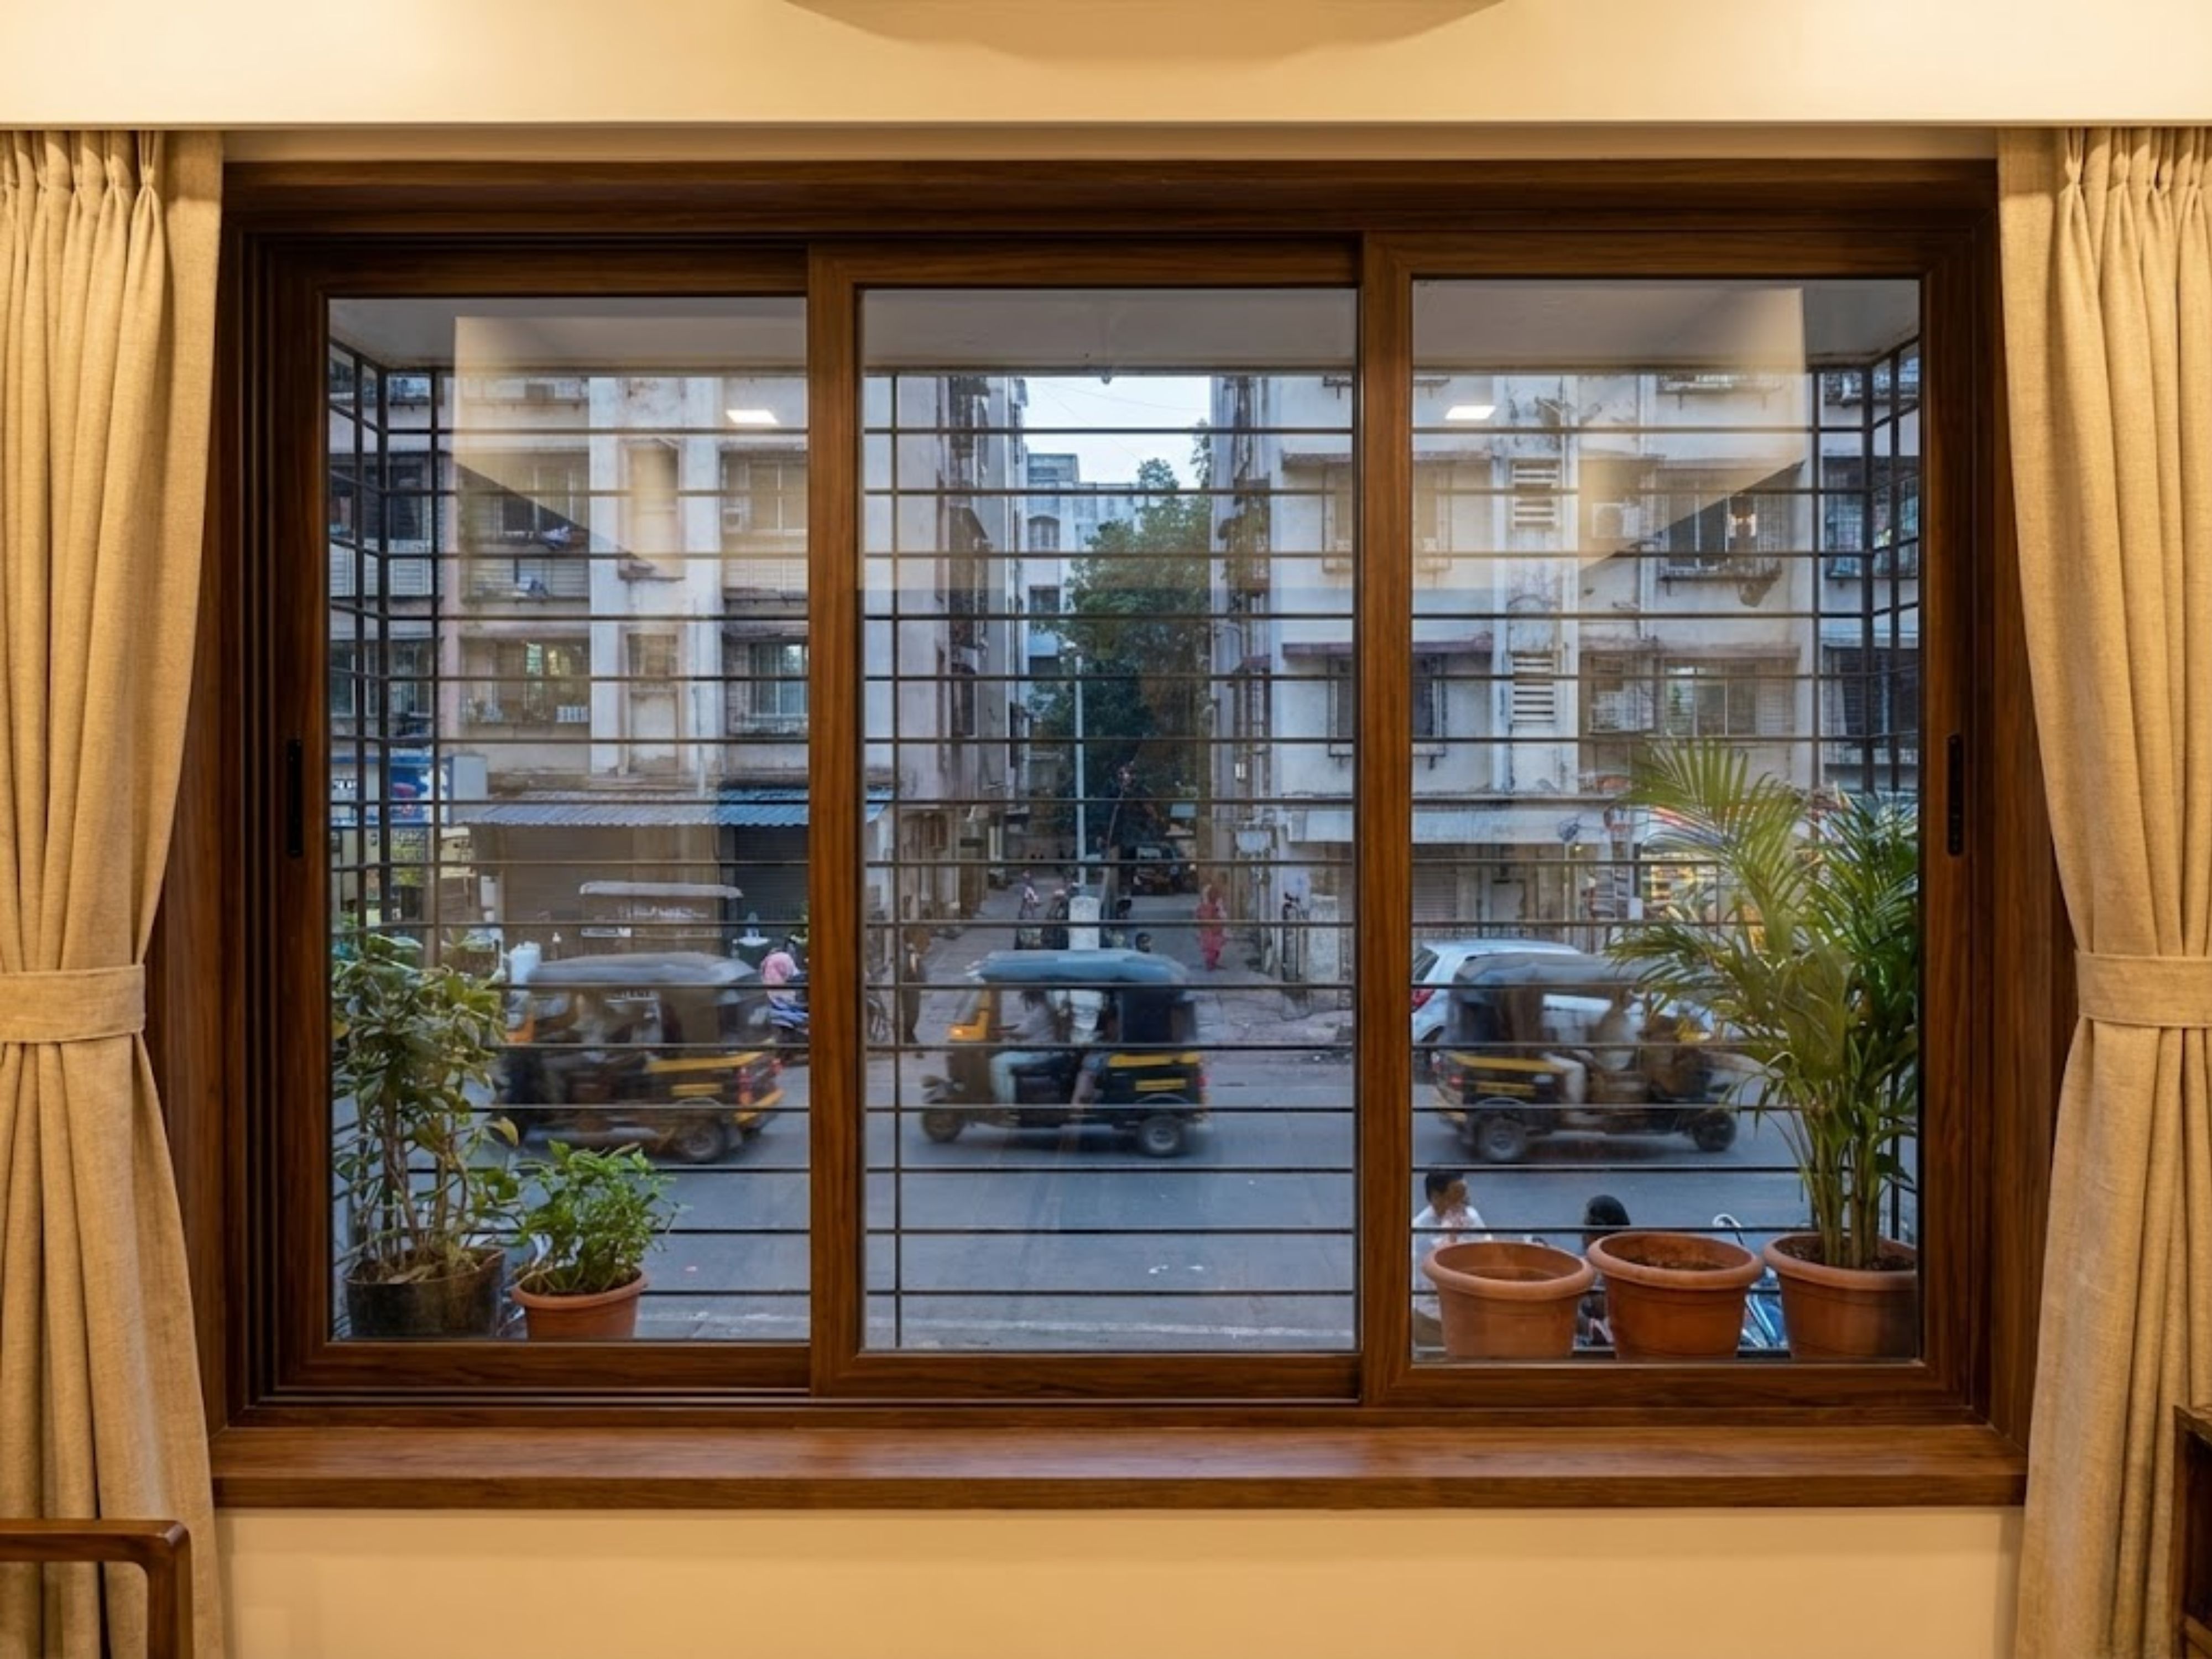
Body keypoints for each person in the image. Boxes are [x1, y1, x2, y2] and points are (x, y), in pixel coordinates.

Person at [1411, 1169, 1491, 1347]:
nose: (1463, 1206)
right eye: (1455, 1199)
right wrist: (1452, 1237)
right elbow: (1437, 1276)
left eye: (1465, 1198)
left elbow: (1487, 1250)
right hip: (1433, 1318)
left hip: (1467, 1312)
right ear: (1436, 1198)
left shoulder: (1469, 1216)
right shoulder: (1420, 1231)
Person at [1578, 1193, 1632, 1348]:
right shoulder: (1625, 1253)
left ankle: (1592, 1330)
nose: (1582, 1232)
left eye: (1585, 1225)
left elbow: (1601, 1304)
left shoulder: (1608, 1264)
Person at [990, 988, 1061, 1104]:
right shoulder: (1039, 1008)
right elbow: (1024, 1026)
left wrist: (1004, 1032)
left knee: (998, 1062)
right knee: (1003, 1054)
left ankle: (1005, 1102)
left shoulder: (1040, 1010)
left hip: (1037, 1053)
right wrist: (1006, 1029)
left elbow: (1023, 1032)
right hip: (1035, 1050)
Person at [899, 928, 926, 1046]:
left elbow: (919, 968)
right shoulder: (907, 953)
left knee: (914, 1011)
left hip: (913, 986)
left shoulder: (912, 953)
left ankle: (909, 1033)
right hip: (908, 987)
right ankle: (907, 1033)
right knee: (910, 1011)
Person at [1194, 879, 1227, 971]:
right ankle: (1210, 963)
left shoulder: (1216, 905)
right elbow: (1200, 915)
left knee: (1215, 948)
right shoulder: (1205, 907)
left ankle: (1212, 962)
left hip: (1215, 930)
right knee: (1211, 948)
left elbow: (1222, 915)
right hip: (1209, 931)